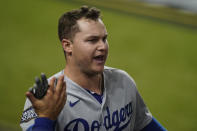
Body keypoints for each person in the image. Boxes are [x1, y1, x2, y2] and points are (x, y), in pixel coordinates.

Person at [20, 6, 166, 131]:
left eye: (104, 39)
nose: (102, 46)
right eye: (92, 40)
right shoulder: (47, 97)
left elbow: (145, 125)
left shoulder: (123, 81)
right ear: (67, 45)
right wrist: (45, 118)